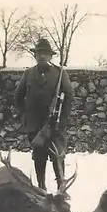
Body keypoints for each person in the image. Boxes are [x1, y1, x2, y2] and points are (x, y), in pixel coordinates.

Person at [14, 38, 75, 191]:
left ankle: (61, 188)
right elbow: (18, 97)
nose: (42, 56)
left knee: (57, 155)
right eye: (39, 53)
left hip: (55, 124)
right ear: (35, 56)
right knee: (38, 157)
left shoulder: (60, 73)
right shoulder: (28, 74)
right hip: (35, 125)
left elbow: (70, 96)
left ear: (50, 56)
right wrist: (24, 117)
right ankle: (41, 188)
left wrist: (62, 121)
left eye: (45, 54)